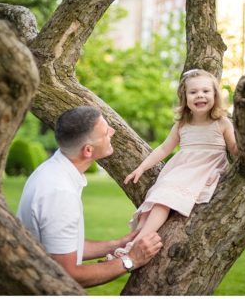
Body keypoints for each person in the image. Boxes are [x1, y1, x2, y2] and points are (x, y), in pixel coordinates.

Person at [18, 106, 163, 287]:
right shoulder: (59, 193)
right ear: (88, 150)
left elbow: (62, 247)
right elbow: (67, 274)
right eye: (105, 132)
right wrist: (131, 260)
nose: (113, 131)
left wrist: (119, 243)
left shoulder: (53, 171)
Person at [122, 69, 238, 248]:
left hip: (204, 170)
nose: (200, 96)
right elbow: (163, 149)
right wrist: (141, 168)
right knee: (154, 202)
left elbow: (235, 149)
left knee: (163, 200)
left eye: (205, 91)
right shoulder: (182, 124)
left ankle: (136, 245)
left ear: (215, 94)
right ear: (185, 98)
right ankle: (131, 242)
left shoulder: (221, 122)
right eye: (193, 92)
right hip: (181, 170)